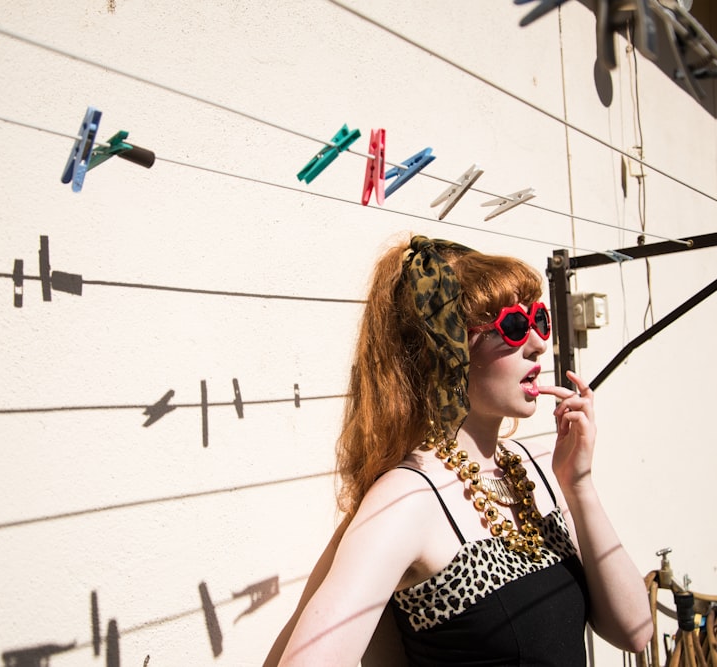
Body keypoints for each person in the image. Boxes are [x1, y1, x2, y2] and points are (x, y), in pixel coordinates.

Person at [266, 235, 652, 666]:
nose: (540, 343)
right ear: (447, 352)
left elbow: (635, 630)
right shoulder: (408, 499)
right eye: (513, 326)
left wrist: (578, 485)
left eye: (539, 320)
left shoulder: (542, 466)